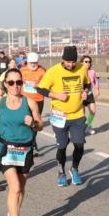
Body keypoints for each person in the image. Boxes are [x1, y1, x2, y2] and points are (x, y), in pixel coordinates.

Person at [0, 67, 43, 216]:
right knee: (15, 187)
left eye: (18, 82)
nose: (15, 85)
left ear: (22, 83)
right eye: (11, 82)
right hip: (5, 149)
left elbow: (40, 125)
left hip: (25, 150)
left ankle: (13, 215)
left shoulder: (30, 102)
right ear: (5, 84)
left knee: (21, 187)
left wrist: (33, 123)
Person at [38, 46, 90, 187]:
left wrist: (85, 92)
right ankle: (61, 173)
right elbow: (40, 89)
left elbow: (87, 84)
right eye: (68, 62)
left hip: (78, 114)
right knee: (62, 146)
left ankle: (74, 169)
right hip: (59, 115)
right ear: (62, 59)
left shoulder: (82, 68)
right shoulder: (53, 71)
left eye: (73, 62)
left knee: (79, 144)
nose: (71, 65)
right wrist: (56, 95)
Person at [20, 52, 47, 153]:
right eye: (31, 62)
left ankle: (33, 142)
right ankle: (27, 142)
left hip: (38, 100)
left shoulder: (42, 71)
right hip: (25, 100)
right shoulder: (22, 70)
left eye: (35, 62)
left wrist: (38, 85)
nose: (33, 64)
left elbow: (47, 85)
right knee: (25, 122)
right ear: (27, 62)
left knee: (36, 122)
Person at [82, 55, 101, 135]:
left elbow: (95, 81)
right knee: (81, 114)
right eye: (86, 61)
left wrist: (97, 89)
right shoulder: (79, 71)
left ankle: (88, 125)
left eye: (89, 62)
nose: (88, 63)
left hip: (89, 94)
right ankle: (81, 127)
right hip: (81, 96)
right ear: (82, 63)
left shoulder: (92, 72)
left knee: (93, 111)